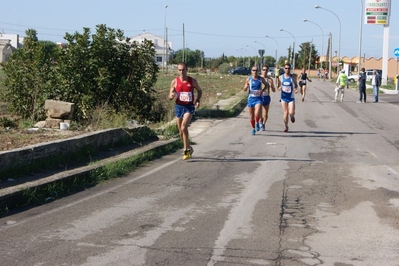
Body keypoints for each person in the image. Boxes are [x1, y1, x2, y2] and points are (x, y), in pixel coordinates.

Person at [168, 62, 203, 160]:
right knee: (180, 131)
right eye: (179, 70)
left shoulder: (192, 81)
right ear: (177, 71)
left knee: (184, 127)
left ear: (187, 70)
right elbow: (170, 94)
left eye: (183, 69)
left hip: (189, 107)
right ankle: (189, 147)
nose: (181, 72)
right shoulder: (174, 82)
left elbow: (199, 91)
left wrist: (197, 100)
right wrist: (171, 96)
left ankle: (186, 149)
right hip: (179, 106)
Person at [243, 66, 269, 135]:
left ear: (258, 71)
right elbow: (244, 88)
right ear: (251, 71)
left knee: (257, 113)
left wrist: (262, 90)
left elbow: (266, 85)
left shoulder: (261, 79)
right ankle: (253, 128)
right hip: (251, 99)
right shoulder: (249, 79)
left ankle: (257, 122)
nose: (255, 72)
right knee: (251, 116)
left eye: (256, 70)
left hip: (258, 99)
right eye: (253, 70)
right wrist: (246, 87)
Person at [277, 63, 298, 133]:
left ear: (290, 69)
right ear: (284, 69)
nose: (287, 69)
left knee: (291, 112)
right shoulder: (281, 77)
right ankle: (286, 126)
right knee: (285, 112)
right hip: (283, 98)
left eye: (288, 68)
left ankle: (292, 116)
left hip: (291, 97)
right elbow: (278, 87)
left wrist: (295, 89)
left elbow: (296, 85)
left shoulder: (293, 77)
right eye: (286, 68)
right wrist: (279, 88)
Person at [259, 66, 276, 131]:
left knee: (265, 114)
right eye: (263, 69)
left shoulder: (270, 79)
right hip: (259, 97)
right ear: (261, 70)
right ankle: (260, 121)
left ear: (268, 71)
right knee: (259, 112)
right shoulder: (259, 78)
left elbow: (274, 90)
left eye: (266, 70)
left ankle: (263, 124)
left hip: (266, 97)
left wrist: (272, 86)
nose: (265, 71)